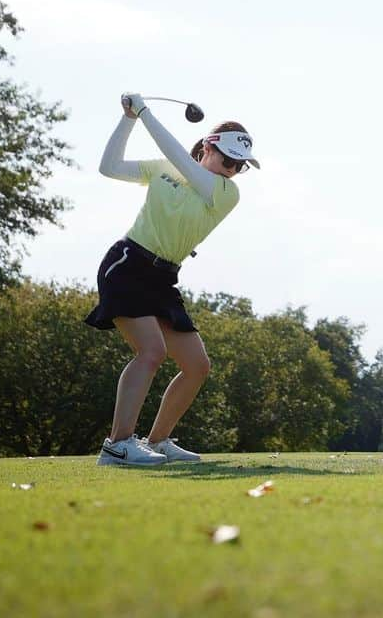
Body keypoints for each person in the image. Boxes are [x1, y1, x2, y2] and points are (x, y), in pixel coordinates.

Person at [84, 92, 259, 466]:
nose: (232, 169)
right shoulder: (165, 167)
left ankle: (159, 440)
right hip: (128, 265)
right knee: (151, 352)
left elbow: (183, 160)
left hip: (163, 279)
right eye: (228, 159)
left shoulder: (227, 193)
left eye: (240, 165)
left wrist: (145, 112)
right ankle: (118, 444)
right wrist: (130, 119)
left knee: (197, 366)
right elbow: (109, 166)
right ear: (208, 148)